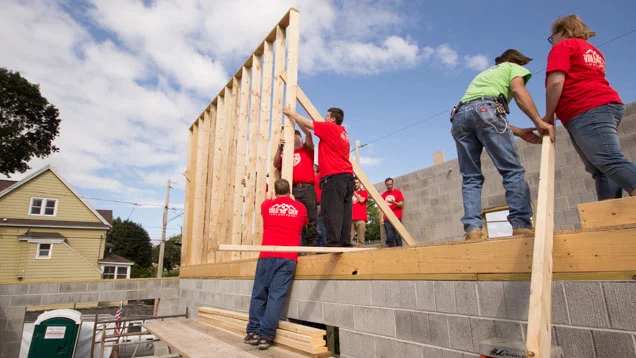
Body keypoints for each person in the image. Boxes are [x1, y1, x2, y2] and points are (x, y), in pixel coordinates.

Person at [451, 49, 555, 241]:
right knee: (512, 170)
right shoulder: (513, 67)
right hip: (486, 110)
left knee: (470, 178)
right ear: (519, 62)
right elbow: (516, 92)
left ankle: (473, 229)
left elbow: (481, 116)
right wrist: (538, 121)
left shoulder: (484, 75)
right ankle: (521, 225)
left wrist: (520, 132)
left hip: (459, 117)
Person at [544, 15, 636, 199]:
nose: (551, 41)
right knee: (601, 168)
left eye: (551, 37)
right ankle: (610, 216)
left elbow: (555, 83)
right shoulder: (593, 51)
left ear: (562, 32)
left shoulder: (563, 46)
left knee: (608, 160)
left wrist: (548, 116)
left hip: (587, 107)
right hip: (601, 106)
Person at [244, 179, 308, 350]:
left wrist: (269, 198)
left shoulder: (267, 205)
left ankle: (252, 332)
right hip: (288, 258)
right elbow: (305, 223)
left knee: (259, 293)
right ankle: (265, 336)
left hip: (267, 256)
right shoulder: (300, 208)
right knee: (276, 297)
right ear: (290, 191)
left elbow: (266, 207)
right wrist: (293, 203)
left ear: (274, 191)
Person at [283, 105, 354, 247]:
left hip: (334, 177)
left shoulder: (330, 128)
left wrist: (291, 113)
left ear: (333, 119)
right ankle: (344, 243)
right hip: (347, 177)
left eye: (327, 116)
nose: (324, 118)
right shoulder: (342, 132)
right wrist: (297, 121)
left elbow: (309, 124)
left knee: (331, 211)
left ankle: (333, 244)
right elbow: (308, 130)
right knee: (345, 212)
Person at [273, 129, 317, 246]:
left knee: (311, 218)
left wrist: (306, 131)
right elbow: (276, 164)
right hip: (293, 189)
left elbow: (309, 140)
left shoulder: (306, 150)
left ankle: (312, 245)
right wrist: (280, 149)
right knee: (297, 218)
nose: (294, 139)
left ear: (300, 138)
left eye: (296, 136)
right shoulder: (286, 155)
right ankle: (300, 247)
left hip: (307, 188)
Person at [381, 178, 404, 247]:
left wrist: (393, 202)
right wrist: (381, 218)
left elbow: (401, 204)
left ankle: (400, 252)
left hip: (397, 217)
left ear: (393, 184)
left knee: (398, 237)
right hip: (387, 219)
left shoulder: (398, 192)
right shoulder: (383, 195)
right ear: (385, 185)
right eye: (387, 185)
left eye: (390, 184)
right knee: (390, 237)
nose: (389, 186)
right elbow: (382, 208)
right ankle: (392, 253)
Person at [351, 177, 368, 245]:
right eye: (354, 183)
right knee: (348, 240)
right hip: (350, 219)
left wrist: (354, 193)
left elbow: (361, 200)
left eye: (357, 183)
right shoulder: (349, 193)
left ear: (360, 183)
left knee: (361, 240)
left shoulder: (364, 192)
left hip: (361, 219)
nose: (355, 184)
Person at [314, 164, 327, 247]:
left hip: (319, 203)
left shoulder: (319, 176)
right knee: (316, 228)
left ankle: (322, 246)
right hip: (313, 204)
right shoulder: (309, 178)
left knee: (320, 228)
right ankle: (318, 246)